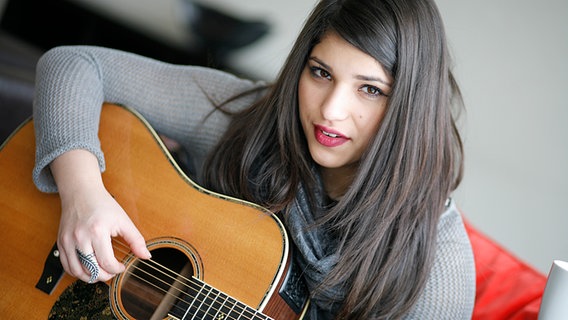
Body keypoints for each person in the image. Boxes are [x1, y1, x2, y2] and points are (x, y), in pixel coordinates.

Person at [32, 0, 476, 318]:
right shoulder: (248, 122)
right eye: (320, 73)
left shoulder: (439, 265)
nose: (331, 110)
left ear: (411, 106)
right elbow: (72, 64)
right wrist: (83, 194)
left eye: (370, 89)